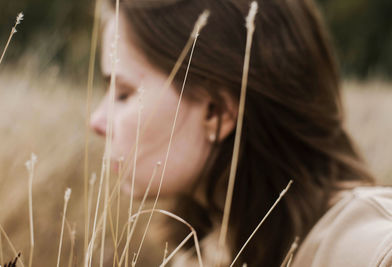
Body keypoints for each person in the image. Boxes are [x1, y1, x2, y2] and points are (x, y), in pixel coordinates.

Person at [90, 0, 392, 266]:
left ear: (217, 112)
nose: (97, 121)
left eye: (124, 93)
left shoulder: (366, 249)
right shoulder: (206, 249)